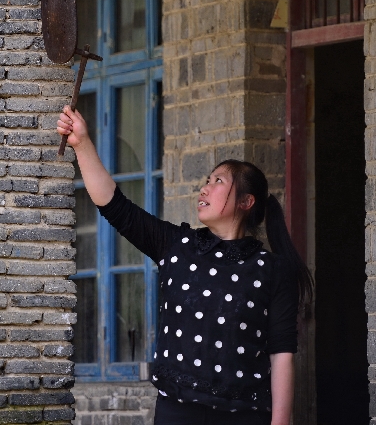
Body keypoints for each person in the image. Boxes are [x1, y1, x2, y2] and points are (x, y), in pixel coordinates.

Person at [57, 106, 312, 425]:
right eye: (206, 180)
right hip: (177, 412)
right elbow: (115, 206)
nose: (204, 188)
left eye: (218, 181)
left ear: (246, 202)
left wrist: (282, 422)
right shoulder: (176, 246)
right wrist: (82, 144)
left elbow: (282, 352)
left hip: (246, 415)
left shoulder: (272, 269)